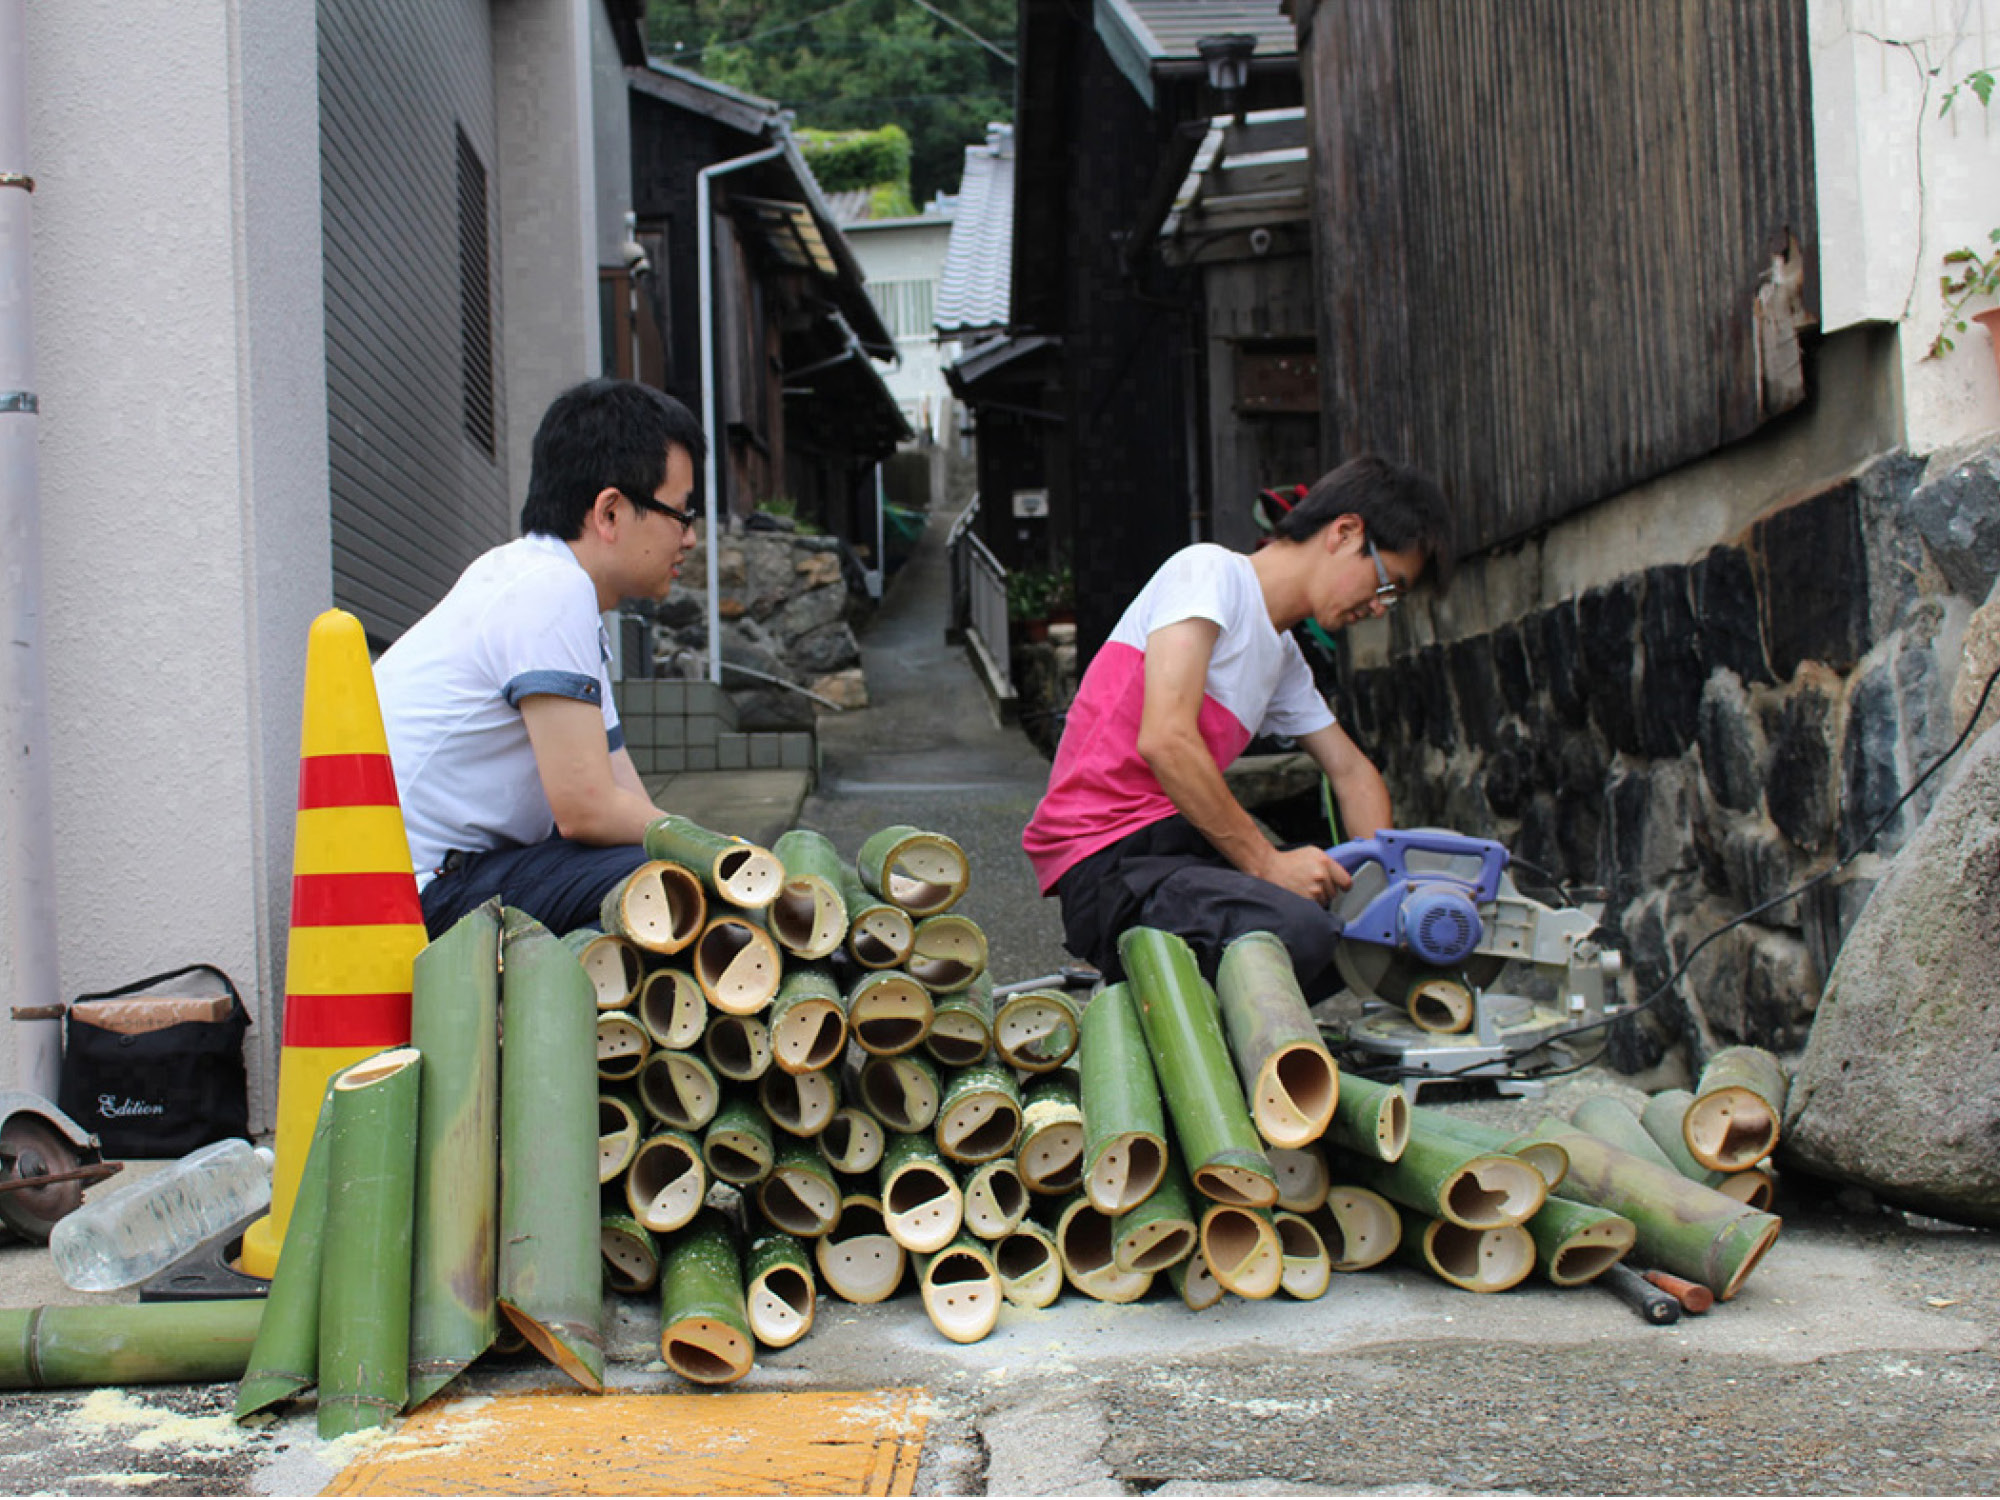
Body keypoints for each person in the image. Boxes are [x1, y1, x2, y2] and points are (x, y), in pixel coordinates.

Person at [1020, 454, 1454, 996]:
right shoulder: (1208, 574)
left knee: (1353, 944)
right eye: (1388, 584)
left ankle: (1201, 1036)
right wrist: (1268, 863)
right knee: (1299, 934)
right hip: (1109, 859)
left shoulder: (1283, 658)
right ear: (1345, 532)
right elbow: (1166, 739)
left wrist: (1386, 896)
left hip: (1178, 851)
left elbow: (1351, 771)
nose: (1381, 608)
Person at [375, 377, 705, 938]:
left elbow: (625, 800)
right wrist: (714, 854)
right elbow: (585, 809)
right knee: (668, 881)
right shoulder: (548, 590)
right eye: (680, 514)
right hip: (417, 895)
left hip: (447, 877)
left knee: (675, 869)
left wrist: (704, 848)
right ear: (610, 512)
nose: (690, 538)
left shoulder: (546, 585)